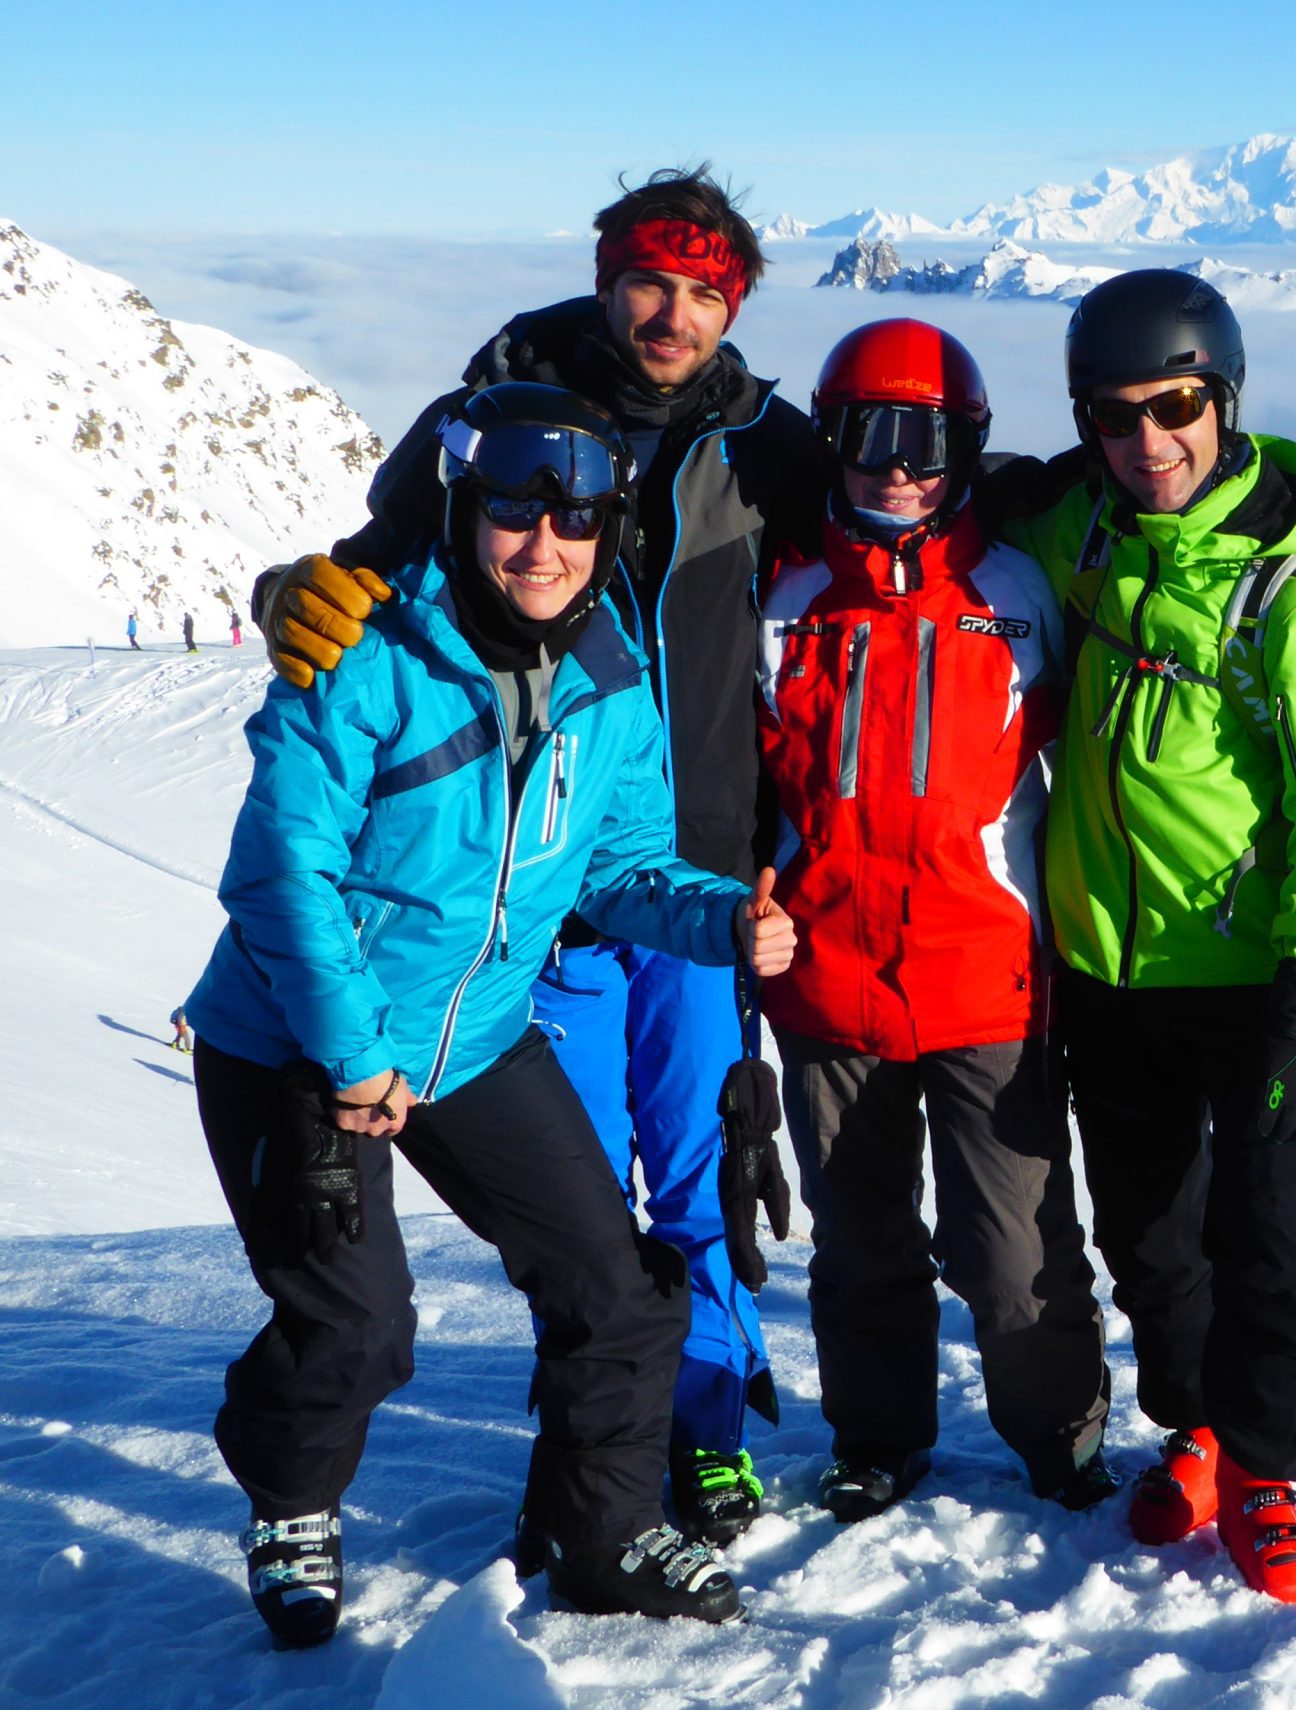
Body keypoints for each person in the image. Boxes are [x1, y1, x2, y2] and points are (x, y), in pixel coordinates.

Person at [250, 166, 830, 1547]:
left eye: (705, 292)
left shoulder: (763, 441)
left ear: (733, 304)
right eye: (650, 279)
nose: (672, 314)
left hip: (692, 877)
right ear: (604, 271)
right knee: (586, 1202)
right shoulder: (483, 420)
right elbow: (372, 578)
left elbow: (905, 515)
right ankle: (597, 1465)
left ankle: (701, 1430)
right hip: (534, 899)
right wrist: (288, 596)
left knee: (700, 1169)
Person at [185, 383, 795, 1648]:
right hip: (297, 1039)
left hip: (474, 1040)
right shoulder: (359, 654)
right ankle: (291, 1494)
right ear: (466, 511)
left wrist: (723, 920)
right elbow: (279, 874)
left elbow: (626, 865)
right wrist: (351, 1055)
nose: (543, 543)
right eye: (516, 511)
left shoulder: (613, 675)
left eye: (575, 517)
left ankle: (604, 1526)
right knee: (359, 1325)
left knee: (619, 1291)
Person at [988, 270, 1296, 1604]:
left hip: (1260, 976)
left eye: (1174, 407)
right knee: (1152, 1240)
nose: (1146, 440)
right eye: (1112, 417)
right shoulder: (1082, 533)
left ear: (1223, 400)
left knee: (1267, 1236)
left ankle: (1273, 1466)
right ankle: (1205, 1424)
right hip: (1111, 975)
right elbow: (955, 506)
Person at [755, 319, 1112, 1525]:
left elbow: (1120, 702)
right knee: (861, 1247)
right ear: (830, 441)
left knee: (1011, 1251)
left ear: (969, 449)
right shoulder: (786, 593)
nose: (897, 469)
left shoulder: (1017, 590)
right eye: (868, 437)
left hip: (984, 976)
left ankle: (1057, 1431)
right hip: (826, 977)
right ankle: (879, 1435)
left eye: (929, 440)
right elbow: (731, 777)